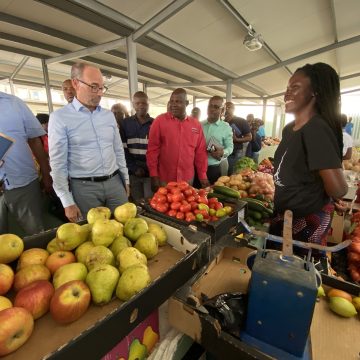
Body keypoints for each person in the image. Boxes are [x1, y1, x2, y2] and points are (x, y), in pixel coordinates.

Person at [270, 62, 347, 257]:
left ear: (315, 92)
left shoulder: (316, 128)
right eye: (287, 88)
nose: (287, 93)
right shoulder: (289, 129)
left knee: (294, 281)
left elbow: (338, 189)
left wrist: (327, 191)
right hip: (285, 218)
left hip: (306, 224)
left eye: (295, 88)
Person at [49, 62, 130, 222]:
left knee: (126, 227)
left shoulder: (108, 116)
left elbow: (118, 150)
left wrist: (125, 179)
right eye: (94, 87)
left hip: (115, 183)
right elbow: (58, 163)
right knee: (94, 236)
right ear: (75, 83)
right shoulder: (60, 118)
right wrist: (67, 201)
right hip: (84, 189)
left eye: (102, 87)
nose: (99, 93)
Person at [0, 92, 52, 235]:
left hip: (23, 182)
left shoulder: (14, 103)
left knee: (35, 232)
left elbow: (35, 140)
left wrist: (46, 173)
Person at [147, 88, 209, 191]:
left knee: (186, 206)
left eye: (178, 101)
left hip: (187, 179)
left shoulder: (196, 125)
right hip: (165, 179)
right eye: (172, 101)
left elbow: (200, 152)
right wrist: (153, 175)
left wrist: (202, 175)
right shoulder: (159, 121)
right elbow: (152, 150)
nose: (173, 105)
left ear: (186, 103)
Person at [120, 91, 153, 201]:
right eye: (137, 103)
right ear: (133, 104)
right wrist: (134, 168)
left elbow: (158, 150)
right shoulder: (125, 123)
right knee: (137, 202)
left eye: (144, 103)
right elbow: (123, 149)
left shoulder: (155, 123)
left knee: (151, 202)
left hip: (150, 173)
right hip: (133, 172)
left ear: (148, 104)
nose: (141, 106)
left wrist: (151, 169)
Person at [201, 96, 233, 184]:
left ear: (222, 111)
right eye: (210, 106)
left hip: (214, 168)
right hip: (197, 168)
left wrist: (223, 152)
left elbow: (230, 147)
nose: (212, 109)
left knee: (212, 195)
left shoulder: (226, 127)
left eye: (216, 107)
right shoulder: (199, 125)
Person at [224, 102, 252, 175]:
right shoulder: (221, 122)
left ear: (234, 109)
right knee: (223, 175)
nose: (227, 109)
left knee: (232, 174)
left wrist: (237, 140)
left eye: (229, 107)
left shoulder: (241, 121)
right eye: (225, 108)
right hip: (222, 153)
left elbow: (249, 137)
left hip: (235, 152)